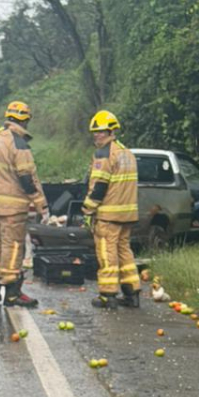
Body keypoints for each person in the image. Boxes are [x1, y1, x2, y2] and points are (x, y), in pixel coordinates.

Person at [0, 100, 47, 308]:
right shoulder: (19, 143)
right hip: (13, 208)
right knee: (14, 247)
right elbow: (27, 178)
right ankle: (12, 293)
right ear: (25, 121)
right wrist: (40, 204)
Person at [81, 110, 141, 309]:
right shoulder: (126, 153)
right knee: (125, 252)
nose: (96, 135)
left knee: (107, 254)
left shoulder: (104, 154)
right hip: (127, 214)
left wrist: (87, 209)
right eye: (94, 132)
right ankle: (132, 293)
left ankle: (108, 295)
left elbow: (99, 186)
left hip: (109, 215)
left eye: (100, 131)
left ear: (111, 131)